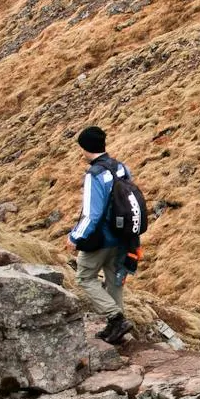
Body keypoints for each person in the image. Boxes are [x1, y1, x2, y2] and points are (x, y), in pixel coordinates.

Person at [66, 124, 140, 344]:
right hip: (123, 236)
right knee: (114, 281)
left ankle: (116, 318)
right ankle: (116, 329)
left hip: (101, 238)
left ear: (85, 147)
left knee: (84, 277)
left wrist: (74, 237)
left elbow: (92, 214)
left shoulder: (94, 174)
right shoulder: (121, 167)